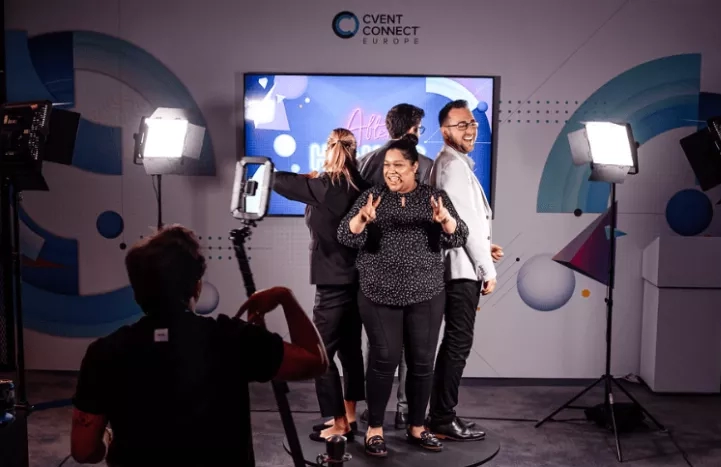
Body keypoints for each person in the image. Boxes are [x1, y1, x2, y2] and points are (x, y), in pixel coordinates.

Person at [70, 226, 328, 467]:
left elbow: (83, 451)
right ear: (196, 285)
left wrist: (106, 437)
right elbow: (316, 361)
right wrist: (285, 297)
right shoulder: (231, 338)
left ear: (137, 292)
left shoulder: (104, 353)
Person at [338, 134, 468, 457]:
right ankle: (376, 428)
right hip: (379, 293)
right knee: (384, 359)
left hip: (426, 293)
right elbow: (345, 234)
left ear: (415, 168)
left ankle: (416, 426)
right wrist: (362, 219)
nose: (391, 171)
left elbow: (460, 235)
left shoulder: (433, 198)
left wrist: (445, 220)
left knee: (422, 363)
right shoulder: (373, 197)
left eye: (398, 165)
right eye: (386, 166)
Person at [272, 128, 370, 442]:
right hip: (358, 282)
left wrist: (309, 178)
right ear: (354, 151)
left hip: (331, 283)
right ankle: (351, 416)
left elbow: (276, 180)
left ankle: (339, 423)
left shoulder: (325, 185)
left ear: (328, 149)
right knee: (351, 350)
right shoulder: (363, 188)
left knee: (320, 353)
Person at [427, 100, 504, 441]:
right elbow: (466, 223)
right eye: (461, 125)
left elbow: (458, 222)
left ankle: (440, 414)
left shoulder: (454, 163)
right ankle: (443, 417)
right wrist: (487, 269)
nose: (470, 130)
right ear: (444, 131)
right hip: (459, 272)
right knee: (457, 345)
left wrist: (484, 250)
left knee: (453, 345)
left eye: (472, 123)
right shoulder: (452, 166)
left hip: (460, 264)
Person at [357, 103, 433, 429]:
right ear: (412, 129)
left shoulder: (365, 161)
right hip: (413, 265)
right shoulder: (425, 165)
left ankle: (373, 411)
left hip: (373, 266)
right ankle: (404, 410)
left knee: (378, 344)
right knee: (411, 346)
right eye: (420, 128)